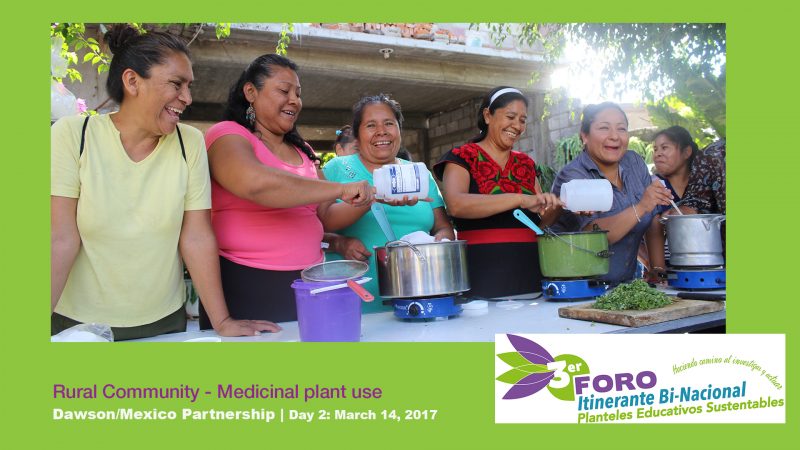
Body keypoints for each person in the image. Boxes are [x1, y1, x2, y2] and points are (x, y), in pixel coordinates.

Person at [50, 25, 279, 340]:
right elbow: (60, 239)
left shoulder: (190, 143)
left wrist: (223, 321)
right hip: (77, 327)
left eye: (189, 86)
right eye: (176, 84)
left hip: (164, 324)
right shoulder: (73, 135)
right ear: (132, 81)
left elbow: (197, 238)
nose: (187, 97)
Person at [201, 54, 373, 327]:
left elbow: (324, 216)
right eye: (284, 90)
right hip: (247, 284)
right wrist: (340, 188)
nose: (295, 99)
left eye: (298, 93)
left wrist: (367, 199)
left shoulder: (302, 150)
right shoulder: (227, 135)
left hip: (309, 282)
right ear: (250, 92)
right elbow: (254, 184)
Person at [322, 94, 455, 311]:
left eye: (389, 124)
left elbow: (443, 226)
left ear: (399, 130)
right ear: (356, 134)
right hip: (356, 301)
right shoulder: (336, 168)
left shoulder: (419, 173)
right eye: (371, 125)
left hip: (420, 296)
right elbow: (318, 225)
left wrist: (439, 244)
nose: (381, 131)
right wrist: (339, 243)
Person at [433, 86, 562, 298]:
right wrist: (519, 199)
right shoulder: (462, 157)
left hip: (528, 272)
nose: (517, 125)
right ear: (487, 115)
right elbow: (456, 205)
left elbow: (537, 225)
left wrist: (557, 208)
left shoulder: (525, 164)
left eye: (522, 120)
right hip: (481, 272)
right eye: (510, 116)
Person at [550, 102, 673, 285]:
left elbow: (653, 218)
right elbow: (595, 235)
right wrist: (640, 207)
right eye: (604, 128)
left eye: (621, 129)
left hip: (625, 286)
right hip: (579, 287)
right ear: (584, 136)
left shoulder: (634, 162)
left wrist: (657, 269)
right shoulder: (573, 177)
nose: (614, 136)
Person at [645, 126, 726, 281]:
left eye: (665, 148)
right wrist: (657, 269)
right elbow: (650, 227)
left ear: (687, 152)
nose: (658, 154)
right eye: (655, 149)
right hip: (672, 273)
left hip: (709, 270)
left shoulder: (707, 186)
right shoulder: (655, 187)